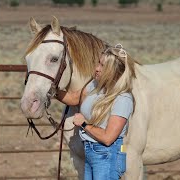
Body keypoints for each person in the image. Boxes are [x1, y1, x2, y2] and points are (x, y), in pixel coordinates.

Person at [55, 43, 137, 179]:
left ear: (113, 71)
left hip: (106, 154)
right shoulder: (95, 85)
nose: (97, 69)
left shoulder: (123, 98)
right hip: (91, 151)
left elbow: (108, 138)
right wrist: (52, 90)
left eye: (103, 66)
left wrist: (84, 124)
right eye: (98, 63)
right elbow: (73, 98)